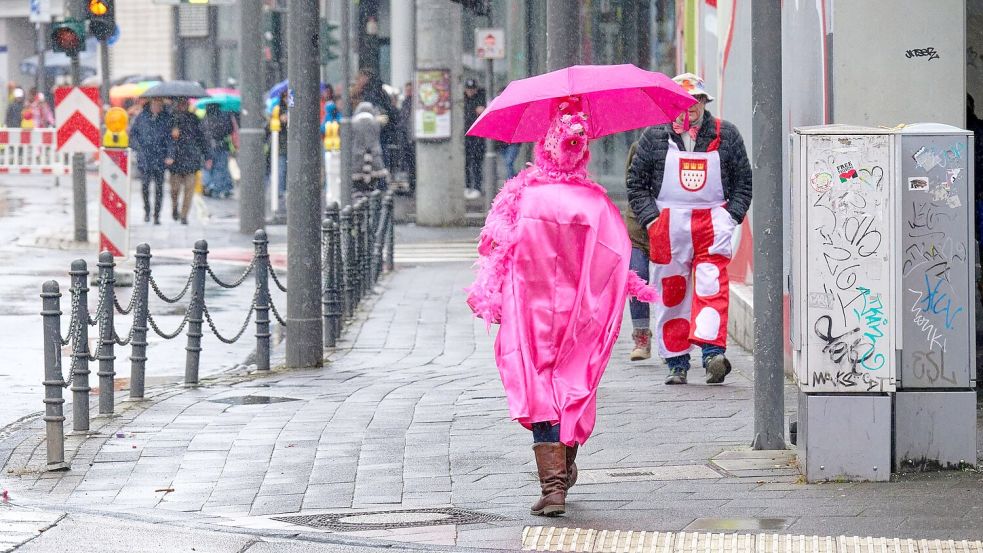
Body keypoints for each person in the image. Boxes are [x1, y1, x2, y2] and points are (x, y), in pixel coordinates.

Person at [466, 97, 659, 517]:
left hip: (529, 316)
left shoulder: (522, 199)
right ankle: (564, 465)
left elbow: (493, 249)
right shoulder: (595, 205)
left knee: (538, 389)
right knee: (572, 386)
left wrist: (493, 296)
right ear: (582, 153)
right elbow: (617, 259)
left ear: (542, 148)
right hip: (580, 317)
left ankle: (553, 487)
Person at [626, 73, 752, 385]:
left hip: (712, 222)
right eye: (684, 100)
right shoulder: (653, 137)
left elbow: (743, 183)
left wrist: (730, 218)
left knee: (711, 287)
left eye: (697, 100)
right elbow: (636, 184)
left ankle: (713, 356)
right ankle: (676, 361)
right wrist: (653, 220)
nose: (691, 106)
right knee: (672, 291)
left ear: (705, 103)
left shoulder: (727, 134)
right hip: (669, 225)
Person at [623, 142, 653, 361]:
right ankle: (641, 335)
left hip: (671, 225)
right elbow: (630, 184)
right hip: (638, 227)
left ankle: (673, 343)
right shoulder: (640, 146)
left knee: (672, 285)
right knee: (637, 275)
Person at [165, 97, 210, 225]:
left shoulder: (194, 119)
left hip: (191, 159)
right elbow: (165, 139)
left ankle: (184, 215)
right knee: (174, 189)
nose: (183, 105)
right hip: (176, 161)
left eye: (185, 103)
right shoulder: (171, 118)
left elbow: (202, 139)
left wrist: (207, 156)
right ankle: (175, 208)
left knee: (189, 190)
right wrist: (172, 136)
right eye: (181, 103)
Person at [130, 98, 172, 224]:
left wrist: (169, 155)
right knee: (145, 186)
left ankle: (157, 215)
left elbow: (169, 139)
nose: (156, 107)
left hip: (160, 158)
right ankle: (147, 210)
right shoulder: (141, 117)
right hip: (145, 157)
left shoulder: (165, 119)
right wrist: (139, 148)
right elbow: (133, 135)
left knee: (159, 188)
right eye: (154, 105)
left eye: (159, 105)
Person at [354, 69, 399, 171]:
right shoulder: (379, 90)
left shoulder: (371, 93)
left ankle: (378, 179)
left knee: (375, 154)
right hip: (382, 130)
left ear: (366, 78)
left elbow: (371, 110)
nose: (357, 81)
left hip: (376, 130)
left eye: (359, 78)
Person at [350, 101, 388, 192]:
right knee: (376, 182)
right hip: (374, 155)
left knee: (358, 183)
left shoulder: (353, 123)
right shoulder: (375, 122)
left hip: (358, 156)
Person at [201, 103, 235, 198]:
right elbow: (229, 130)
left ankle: (207, 185)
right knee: (219, 168)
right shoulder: (223, 117)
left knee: (207, 167)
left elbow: (202, 132)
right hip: (222, 146)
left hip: (207, 147)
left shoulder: (205, 119)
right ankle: (216, 189)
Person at [463, 79, 487, 200]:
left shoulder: (481, 99)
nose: (470, 92)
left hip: (477, 137)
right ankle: (467, 186)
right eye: (468, 89)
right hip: (466, 136)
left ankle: (477, 187)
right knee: (466, 163)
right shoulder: (463, 100)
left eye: (472, 89)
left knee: (477, 163)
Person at [398, 81, 416, 191]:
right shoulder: (406, 102)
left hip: (410, 137)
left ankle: (412, 184)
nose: (408, 92)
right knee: (409, 164)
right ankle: (411, 184)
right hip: (406, 137)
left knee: (411, 164)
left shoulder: (412, 103)